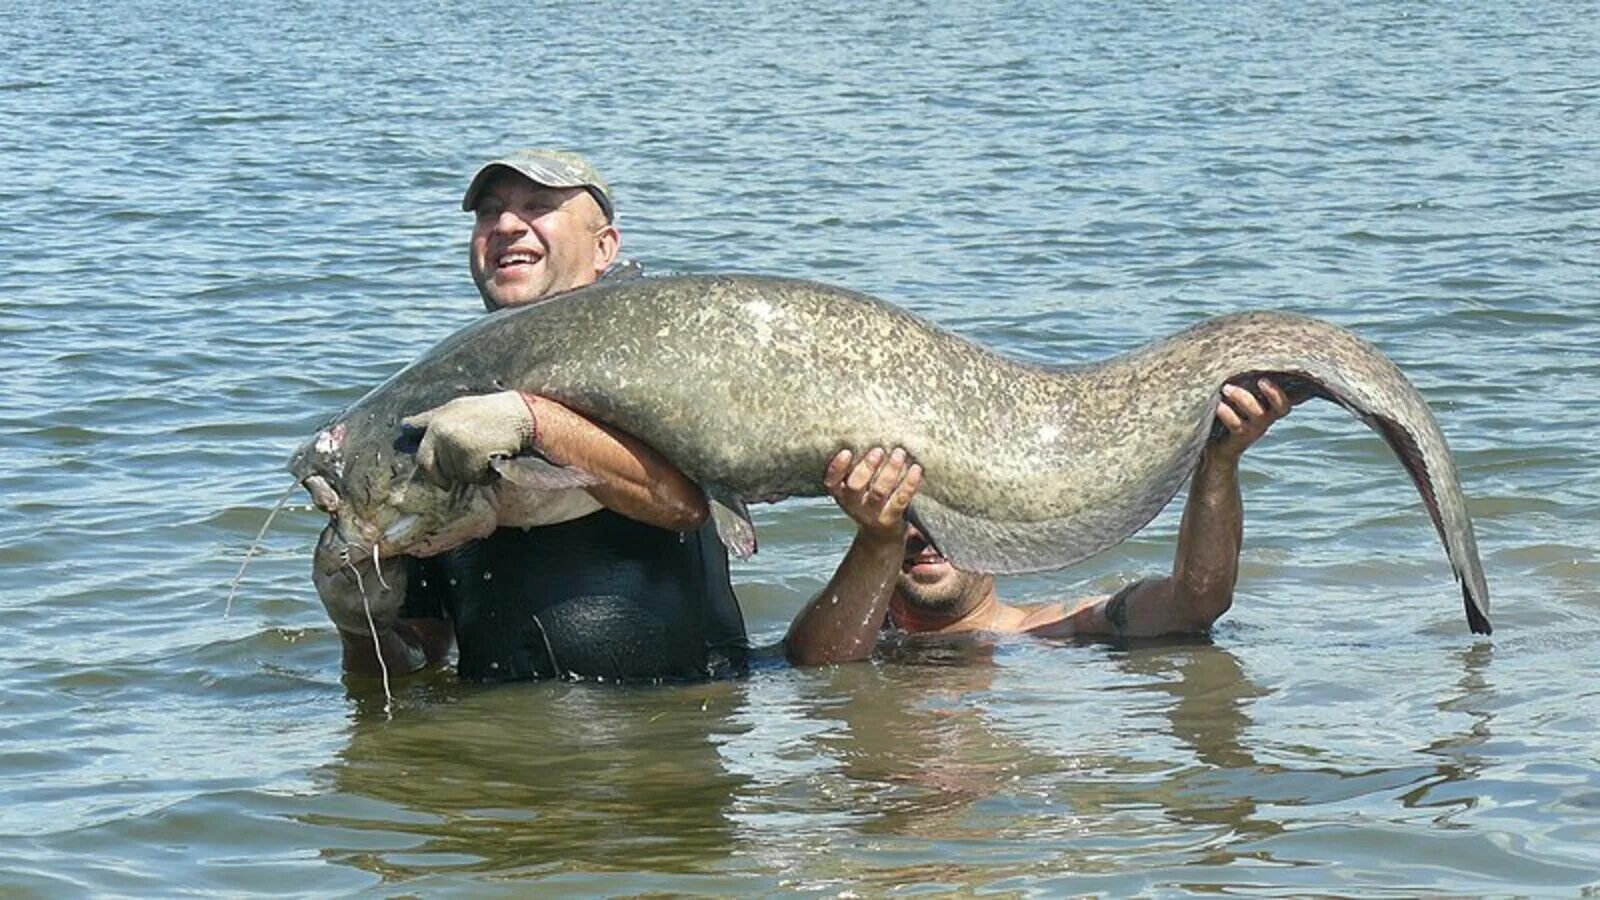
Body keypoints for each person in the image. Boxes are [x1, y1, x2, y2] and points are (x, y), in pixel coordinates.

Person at [314, 149, 750, 683]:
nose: (506, 226)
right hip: (499, 750)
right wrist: (360, 624)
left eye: (539, 207)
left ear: (604, 247)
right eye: (488, 212)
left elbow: (682, 505)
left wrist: (530, 421)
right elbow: (415, 666)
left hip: (667, 733)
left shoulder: (657, 364)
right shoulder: (434, 408)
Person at [782, 380, 1294, 664]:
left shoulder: (1049, 632)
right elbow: (814, 667)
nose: (922, 534)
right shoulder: (854, 638)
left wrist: (1218, 464)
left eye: (945, 515)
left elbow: (1196, 602)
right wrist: (879, 539)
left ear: (996, 528)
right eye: (904, 514)